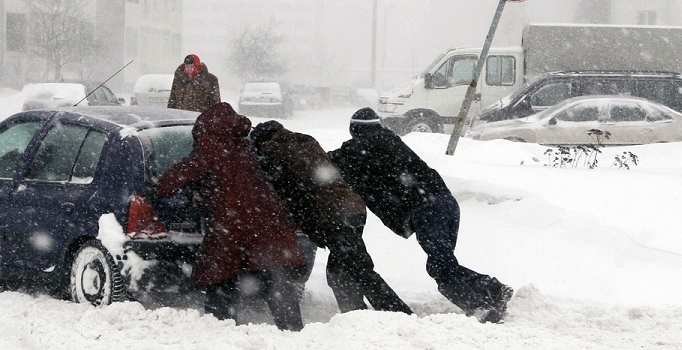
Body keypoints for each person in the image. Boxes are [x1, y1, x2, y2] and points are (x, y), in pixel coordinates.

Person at [328, 107, 513, 323]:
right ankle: (493, 288)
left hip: (427, 209)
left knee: (441, 269)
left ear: (355, 130)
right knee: (443, 264)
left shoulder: (363, 147)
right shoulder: (389, 141)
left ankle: (481, 310)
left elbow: (332, 160)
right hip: (446, 203)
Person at [157, 102, 306, 331]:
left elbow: (170, 182)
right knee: (274, 279)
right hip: (268, 223)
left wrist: (163, 188)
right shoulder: (246, 148)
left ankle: (222, 330)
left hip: (232, 228)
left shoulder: (210, 149)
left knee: (221, 279)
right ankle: (294, 331)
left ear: (205, 128)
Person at [250, 120, 413, 315]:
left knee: (359, 269)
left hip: (334, 216)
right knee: (340, 272)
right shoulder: (304, 142)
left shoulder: (278, 151)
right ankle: (357, 314)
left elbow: (280, 185)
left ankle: (398, 313)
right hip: (350, 209)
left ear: (265, 141)